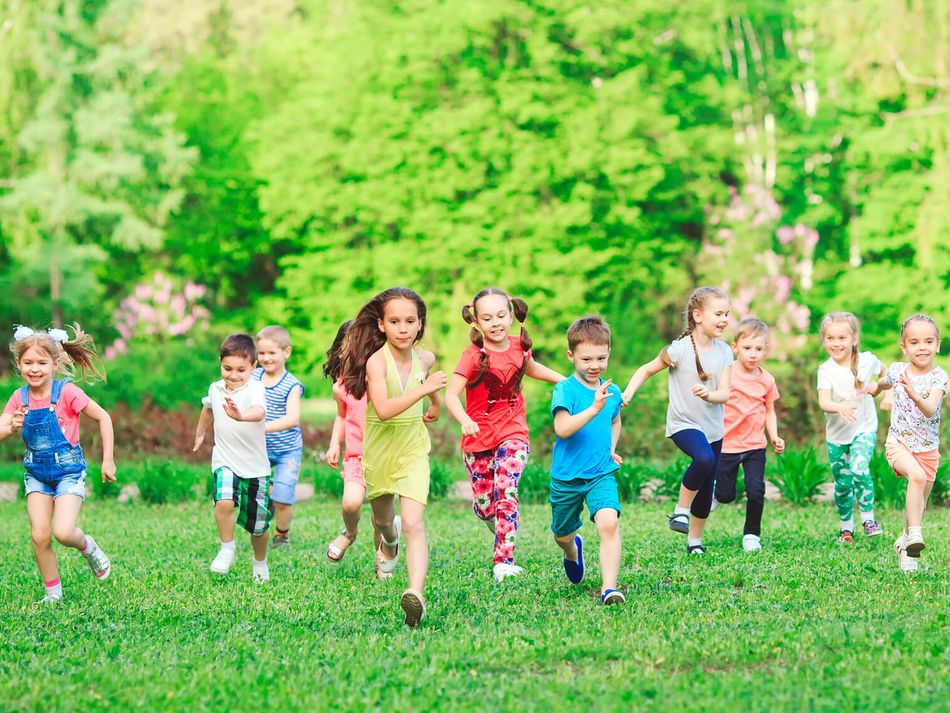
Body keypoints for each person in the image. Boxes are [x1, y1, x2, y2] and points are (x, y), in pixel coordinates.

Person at [340, 287, 446, 627]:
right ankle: (389, 542)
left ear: (420, 325)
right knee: (385, 521)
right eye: (395, 321)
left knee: (415, 523)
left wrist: (435, 405)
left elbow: (428, 385)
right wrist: (425, 391)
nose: (403, 328)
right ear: (382, 325)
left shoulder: (425, 359)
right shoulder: (375, 362)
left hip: (413, 448)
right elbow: (384, 410)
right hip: (380, 451)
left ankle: (416, 594)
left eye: (410, 321)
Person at [444, 288, 563, 582]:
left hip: (513, 432)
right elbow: (450, 395)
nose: (496, 323)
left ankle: (504, 561)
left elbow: (529, 367)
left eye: (501, 315)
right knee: (487, 507)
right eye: (487, 318)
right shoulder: (473, 356)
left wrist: (565, 381)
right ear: (476, 322)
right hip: (477, 440)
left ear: (511, 314)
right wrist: (464, 419)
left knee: (507, 489)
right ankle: (496, 524)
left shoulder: (518, 346)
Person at [0, 324, 115, 603]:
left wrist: (108, 460)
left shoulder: (67, 393)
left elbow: (104, 418)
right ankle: (53, 593)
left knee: (63, 532)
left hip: (69, 471)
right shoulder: (19, 398)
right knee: (40, 536)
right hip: (36, 474)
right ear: (19, 364)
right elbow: (1, 430)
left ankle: (88, 547)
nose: (34, 368)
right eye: (28, 362)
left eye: (42, 362)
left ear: (55, 363)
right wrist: (11, 427)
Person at [622, 287, 733, 555]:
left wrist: (710, 395)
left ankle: (694, 542)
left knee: (706, 491)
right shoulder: (679, 350)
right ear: (697, 315)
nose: (724, 319)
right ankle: (680, 511)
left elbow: (726, 393)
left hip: (714, 429)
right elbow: (646, 369)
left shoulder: (725, 351)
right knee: (704, 459)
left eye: (727, 314)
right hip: (683, 424)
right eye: (718, 313)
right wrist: (628, 393)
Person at [549, 315, 624, 604]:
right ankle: (572, 550)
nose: (594, 366)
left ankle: (609, 588)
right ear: (571, 356)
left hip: (600, 474)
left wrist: (610, 449)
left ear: (609, 354)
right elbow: (562, 428)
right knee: (562, 534)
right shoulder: (565, 389)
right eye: (586, 359)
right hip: (566, 477)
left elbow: (615, 421)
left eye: (601, 358)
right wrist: (593, 409)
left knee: (608, 523)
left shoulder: (612, 391)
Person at [867, 314, 946, 572]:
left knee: (918, 504)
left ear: (938, 345)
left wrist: (914, 394)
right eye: (914, 342)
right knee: (917, 478)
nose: (921, 347)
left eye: (928, 341)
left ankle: (905, 546)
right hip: (899, 444)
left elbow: (930, 408)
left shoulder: (939, 377)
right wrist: (876, 389)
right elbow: (884, 381)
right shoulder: (898, 370)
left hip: (928, 449)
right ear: (904, 347)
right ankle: (914, 536)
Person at [193, 334, 273, 582]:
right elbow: (207, 409)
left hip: (255, 467)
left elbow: (259, 412)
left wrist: (241, 416)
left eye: (241, 369)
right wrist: (200, 435)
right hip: (225, 460)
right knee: (224, 502)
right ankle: (226, 548)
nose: (233, 375)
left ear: (253, 367)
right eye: (227, 368)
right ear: (220, 363)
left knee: (258, 527)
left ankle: (260, 562)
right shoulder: (215, 388)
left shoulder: (256, 388)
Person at [712, 318, 784, 551]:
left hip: (755, 446)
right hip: (727, 446)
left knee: (756, 490)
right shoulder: (726, 374)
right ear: (735, 347)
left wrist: (774, 436)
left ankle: (752, 534)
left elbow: (770, 411)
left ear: (766, 350)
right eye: (747, 348)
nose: (753, 354)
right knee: (725, 495)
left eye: (759, 349)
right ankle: (715, 492)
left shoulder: (766, 379)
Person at [816, 312, 886, 542]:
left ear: (854, 339)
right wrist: (840, 408)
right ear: (824, 340)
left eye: (842, 338)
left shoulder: (867, 360)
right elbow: (824, 402)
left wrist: (881, 388)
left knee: (859, 468)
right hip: (836, 436)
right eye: (830, 338)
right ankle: (846, 528)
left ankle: (868, 518)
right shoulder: (825, 370)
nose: (836, 344)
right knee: (842, 484)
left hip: (864, 428)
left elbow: (886, 373)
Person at [323, 320, 376, 563]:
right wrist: (335, 443)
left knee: (381, 516)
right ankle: (350, 532)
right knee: (350, 503)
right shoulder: (340, 387)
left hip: (385, 455)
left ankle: (383, 559)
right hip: (356, 456)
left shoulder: (383, 381)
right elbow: (342, 415)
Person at [252, 325, 304, 547]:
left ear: (286, 352)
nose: (265, 358)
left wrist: (261, 427)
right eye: (261, 353)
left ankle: (281, 535)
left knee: (283, 496)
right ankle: (270, 495)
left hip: (287, 450)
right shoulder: (253, 376)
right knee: (253, 492)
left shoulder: (291, 385)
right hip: (258, 448)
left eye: (271, 353)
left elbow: (292, 418)